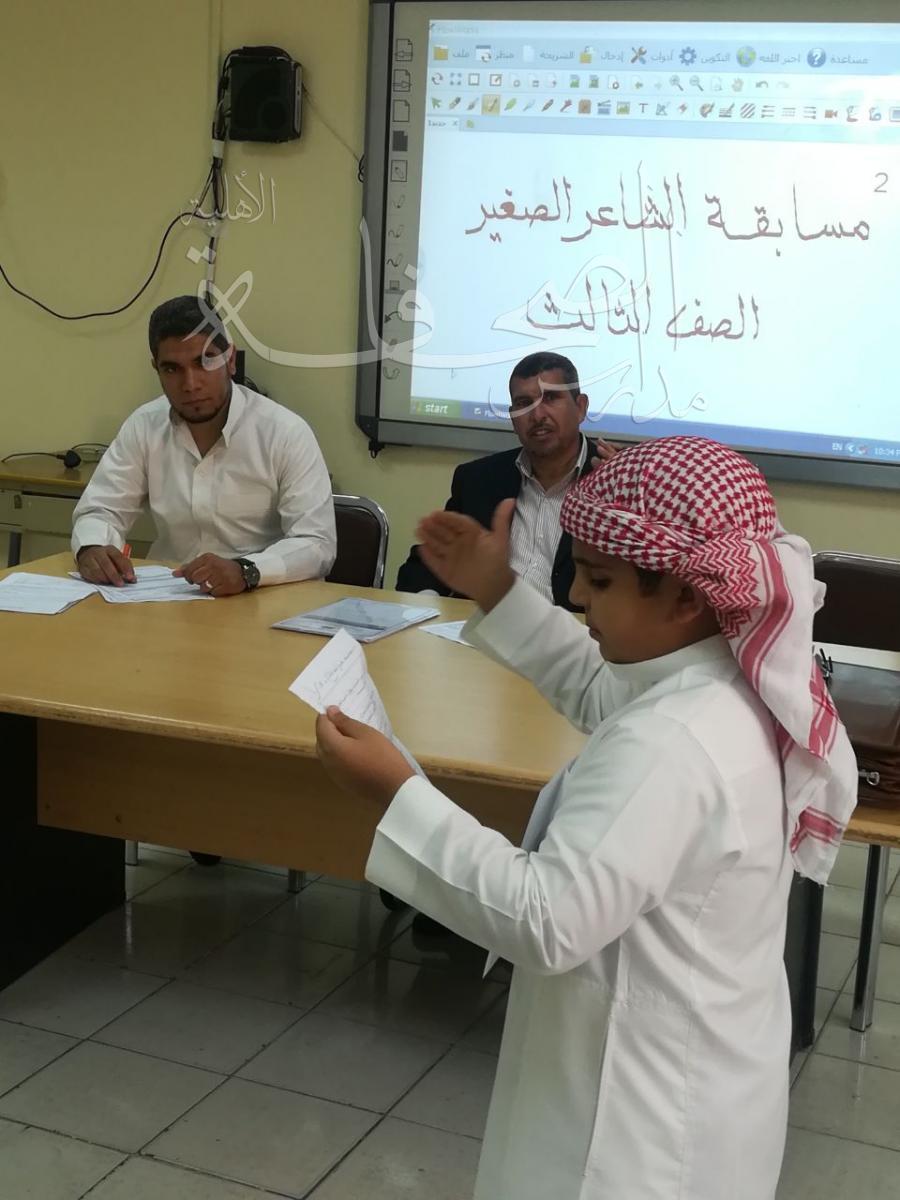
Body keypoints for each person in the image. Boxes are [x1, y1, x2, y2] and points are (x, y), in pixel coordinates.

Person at [315, 436, 858, 1200]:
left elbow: (547, 918)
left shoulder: (674, 743)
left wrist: (397, 792)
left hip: (636, 1132)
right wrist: (498, 589)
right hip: (694, 1078)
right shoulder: (717, 675)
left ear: (687, 596)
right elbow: (604, 690)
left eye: (599, 580)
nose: (575, 596)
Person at [72, 294, 336, 596]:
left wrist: (246, 570)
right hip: (169, 598)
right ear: (156, 369)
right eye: (172, 369)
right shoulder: (145, 426)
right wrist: (92, 547)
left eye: (204, 362)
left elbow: (316, 543)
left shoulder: (285, 432)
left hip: (261, 598)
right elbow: (101, 508)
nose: (190, 384)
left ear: (230, 360)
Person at [396, 352, 615, 609]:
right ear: (513, 417)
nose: (537, 415)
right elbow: (426, 566)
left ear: (580, 407)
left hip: (576, 630)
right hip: (491, 625)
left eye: (550, 398)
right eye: (524, 403)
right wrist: (432, 607)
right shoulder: (478, 479)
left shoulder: (616, 480)